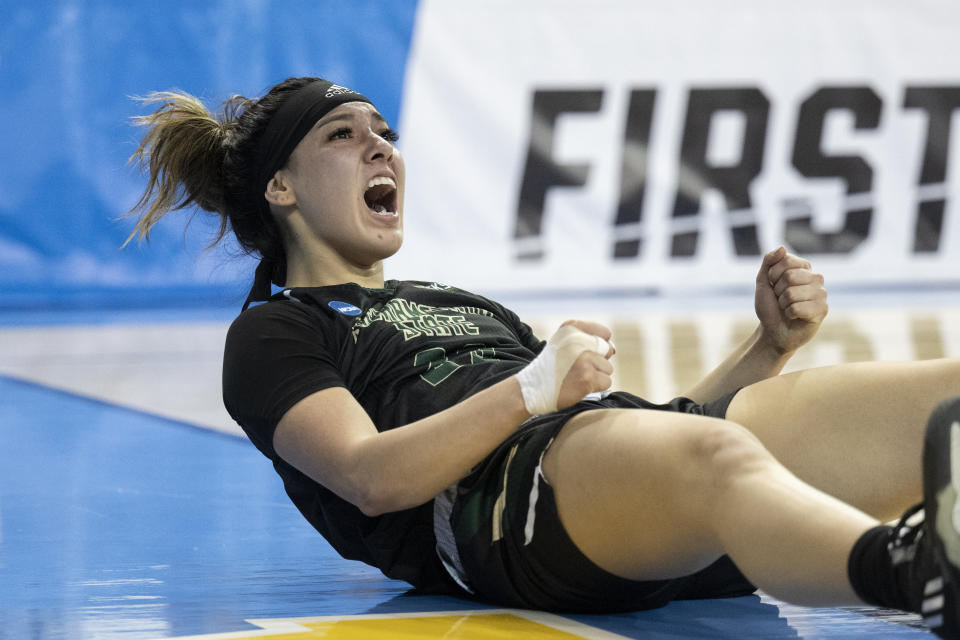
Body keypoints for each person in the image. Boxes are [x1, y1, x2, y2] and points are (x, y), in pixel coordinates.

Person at [126, 76, 960, 637]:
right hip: (500, 519)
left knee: (934, 393)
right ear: (282, 189)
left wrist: (764, 348)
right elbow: (370, 477)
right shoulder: (276, 330)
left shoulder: (462, 303)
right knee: (714, 456)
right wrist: (528, 390)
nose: (383, 148)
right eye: (345, 137)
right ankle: (909, 574)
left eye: (386, 132)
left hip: (595, 479)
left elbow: (649, 448)